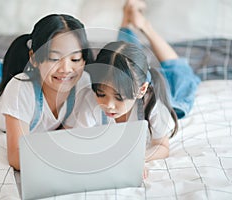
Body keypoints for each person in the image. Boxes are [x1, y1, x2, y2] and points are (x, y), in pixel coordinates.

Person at [67, 0, 200, 177]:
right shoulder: (92, 98)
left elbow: (162, 146)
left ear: (141, 90)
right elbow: (79, 139)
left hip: (162, 91)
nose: (109, 105)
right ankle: (127, 15)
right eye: (101, 94)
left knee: (181, 75)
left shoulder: (155, 106)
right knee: (120, 56)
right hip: (128, 78)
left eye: (119, 98)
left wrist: (135, 158)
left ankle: (145, 26)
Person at [0, 14, 93, 170]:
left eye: (75, 59)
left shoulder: (83, 82)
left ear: (84, 60)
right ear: (34, 58)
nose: (66, 69)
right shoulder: (21, 89)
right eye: (54, 58)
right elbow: (16, 157)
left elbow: (66, 135)